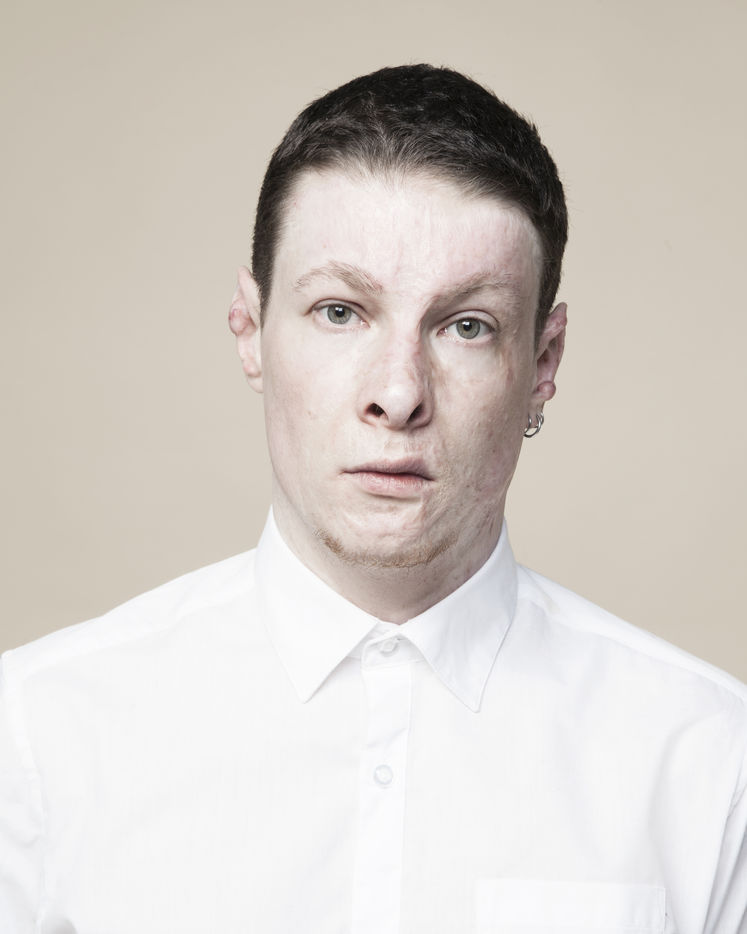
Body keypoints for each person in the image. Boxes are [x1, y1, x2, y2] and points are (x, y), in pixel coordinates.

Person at [1, 64, 745, 934]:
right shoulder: (37, 738)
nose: (397, 395)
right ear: (250, 331)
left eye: (466, 326)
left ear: (542, 363)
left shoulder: (708, 759)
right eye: (339, 312)